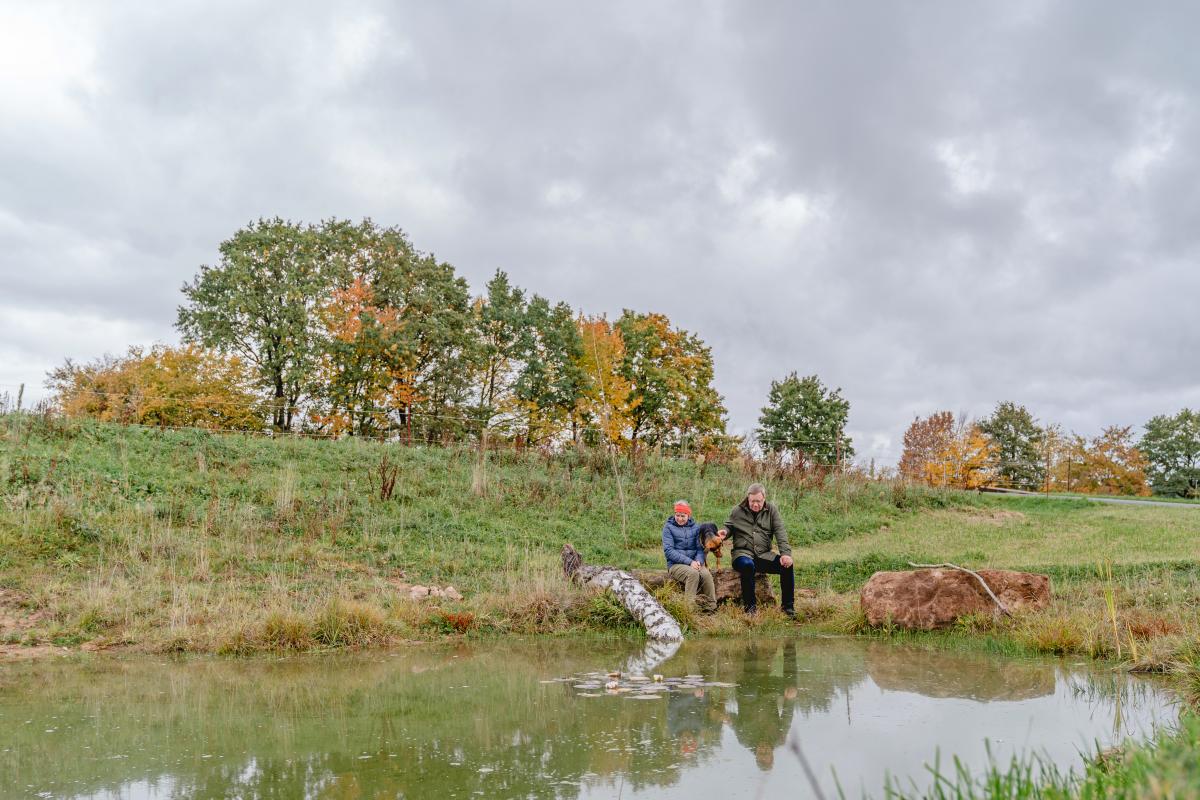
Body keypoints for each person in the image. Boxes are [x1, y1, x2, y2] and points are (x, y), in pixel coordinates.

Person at [724, 483, 795, 617]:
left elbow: (780, 532)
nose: (755, 504)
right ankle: (750, 609)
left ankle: (788, 608)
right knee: (747, 565)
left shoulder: (772, 510)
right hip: (742, 554)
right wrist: (724, 533)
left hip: (763, 555)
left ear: (764, 498)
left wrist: (785, 554)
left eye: (758, 501)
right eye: (752, 501)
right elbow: (729, 527)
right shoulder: (737, 511)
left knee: (786, 565)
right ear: (748, 498)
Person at [662, 500, 717, 613]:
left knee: (706, 574)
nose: (680, 518)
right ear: (674, 514)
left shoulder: (695, 528)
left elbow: (699, 549)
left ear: (688, 515)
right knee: (693, 574)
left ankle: (711, 607)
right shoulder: (668, 528)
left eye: (683, 516)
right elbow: (669, 551)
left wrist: (698, 561)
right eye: (677, 515)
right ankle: (688, 610)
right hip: (676, 564)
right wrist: (689, 562)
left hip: (693, 562)